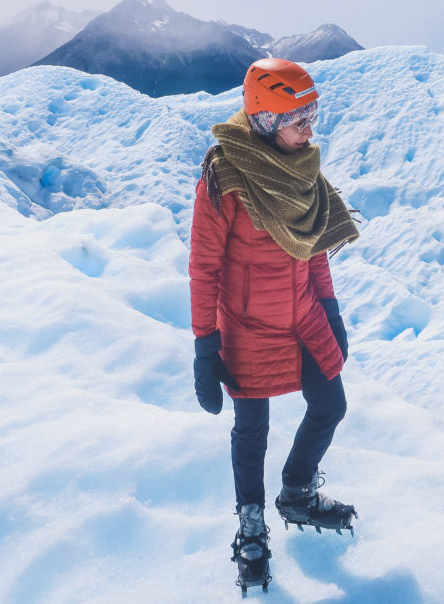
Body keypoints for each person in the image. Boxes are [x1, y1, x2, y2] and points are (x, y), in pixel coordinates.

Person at [189, 57, 360, 594]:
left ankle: (297, 492)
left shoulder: (304, 169)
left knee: (331, 405)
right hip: (245, 324)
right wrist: (204, 344)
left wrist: (330, 311)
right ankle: (251, 527)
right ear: (265, 119)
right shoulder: (225, 177)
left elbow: (314, 250)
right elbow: (204, 266)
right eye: (298, 118)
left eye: (313, 115)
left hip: (303, 314)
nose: (311, 129)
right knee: (251, 431)